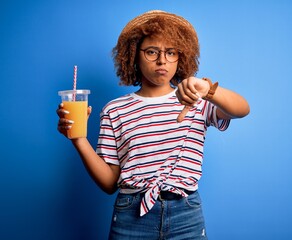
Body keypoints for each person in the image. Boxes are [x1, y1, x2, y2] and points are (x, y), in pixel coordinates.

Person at [57, 10, 250, 240]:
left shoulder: (195, 100)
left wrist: (208, 90)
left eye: (171, 52)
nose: (162, 60)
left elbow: (241, 109)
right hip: (131, 214)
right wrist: (78, 139)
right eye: (151, 52)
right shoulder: (114, 110)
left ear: (181, 57)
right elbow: (109, 183)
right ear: (133, 55)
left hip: (186, 214)